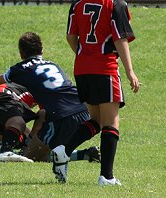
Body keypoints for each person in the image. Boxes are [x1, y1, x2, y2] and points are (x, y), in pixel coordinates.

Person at [0, 32, 102, 183]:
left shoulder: (20, 69)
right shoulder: (53, 65)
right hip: (84, 110)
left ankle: (3, 149)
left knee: (30, 156)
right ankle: (86, 154)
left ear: (22, 54)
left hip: (62, 116)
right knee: (43, 148)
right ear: (41, 50)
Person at [66, 0, 140, 186]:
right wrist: (130, 71)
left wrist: (85, 55)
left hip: (82, 69)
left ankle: (62, 150)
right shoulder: (116, 4)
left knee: (96, 120)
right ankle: (106, 177)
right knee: (111, 122)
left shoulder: (78, 3)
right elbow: (120, 39)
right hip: (104, 68)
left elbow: (70, 36)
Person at [0, 83, 100, 162]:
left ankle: (86, 154)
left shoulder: (33, 90)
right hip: (79, 112)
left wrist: (29, 142)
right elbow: (3, 133)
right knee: (35, 152)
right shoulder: (39, 89)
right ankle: (86, 154)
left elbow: (41, 115)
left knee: (33, 153)